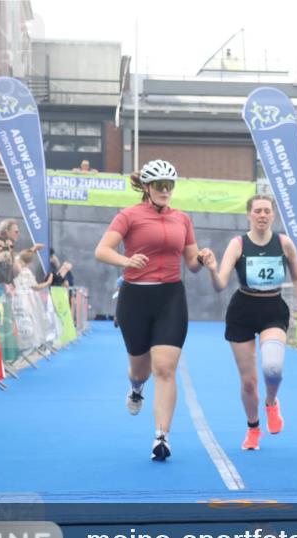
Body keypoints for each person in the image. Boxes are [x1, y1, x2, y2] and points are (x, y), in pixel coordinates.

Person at [94, 159, 214, 461]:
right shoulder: (129, 216)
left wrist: (201, 259)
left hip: (170, 297)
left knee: (165, 368)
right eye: (159, 185)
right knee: (141, 369)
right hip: (135, 298)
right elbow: (102, 250)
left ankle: (161, 436)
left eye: (169, 185)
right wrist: (126, 261)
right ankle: (136, 389)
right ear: (147, 188)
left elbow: (190, 263)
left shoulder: (182, 219)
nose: (165, 190)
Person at [203, 194, 297, 451]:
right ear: (249, 214)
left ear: (273, 215)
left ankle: (271, 402)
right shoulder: (237, 244)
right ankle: (253, 428)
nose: (262, 215)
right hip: (243, 310)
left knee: (273, 367)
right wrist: (213, 269)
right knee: (249, 381)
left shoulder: (284, 244)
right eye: (257, 211)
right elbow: (220, 285)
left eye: (266, 211)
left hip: (273, 309)